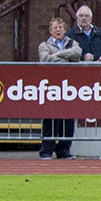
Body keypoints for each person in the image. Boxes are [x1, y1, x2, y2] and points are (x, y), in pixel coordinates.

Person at [36, 16, 82, 158]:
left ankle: (64, 151)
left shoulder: (72, 42)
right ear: (50, 31)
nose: (58, 30)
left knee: (68, 119)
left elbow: (77, 54)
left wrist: (58, 54)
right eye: (55, 27)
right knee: (50, 118)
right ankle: (46, 151)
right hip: (51, 87)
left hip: (69, 87)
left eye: (60, 27)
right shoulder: (44, 45)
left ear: (64, 30)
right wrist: (66, 57)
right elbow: (45, 59)